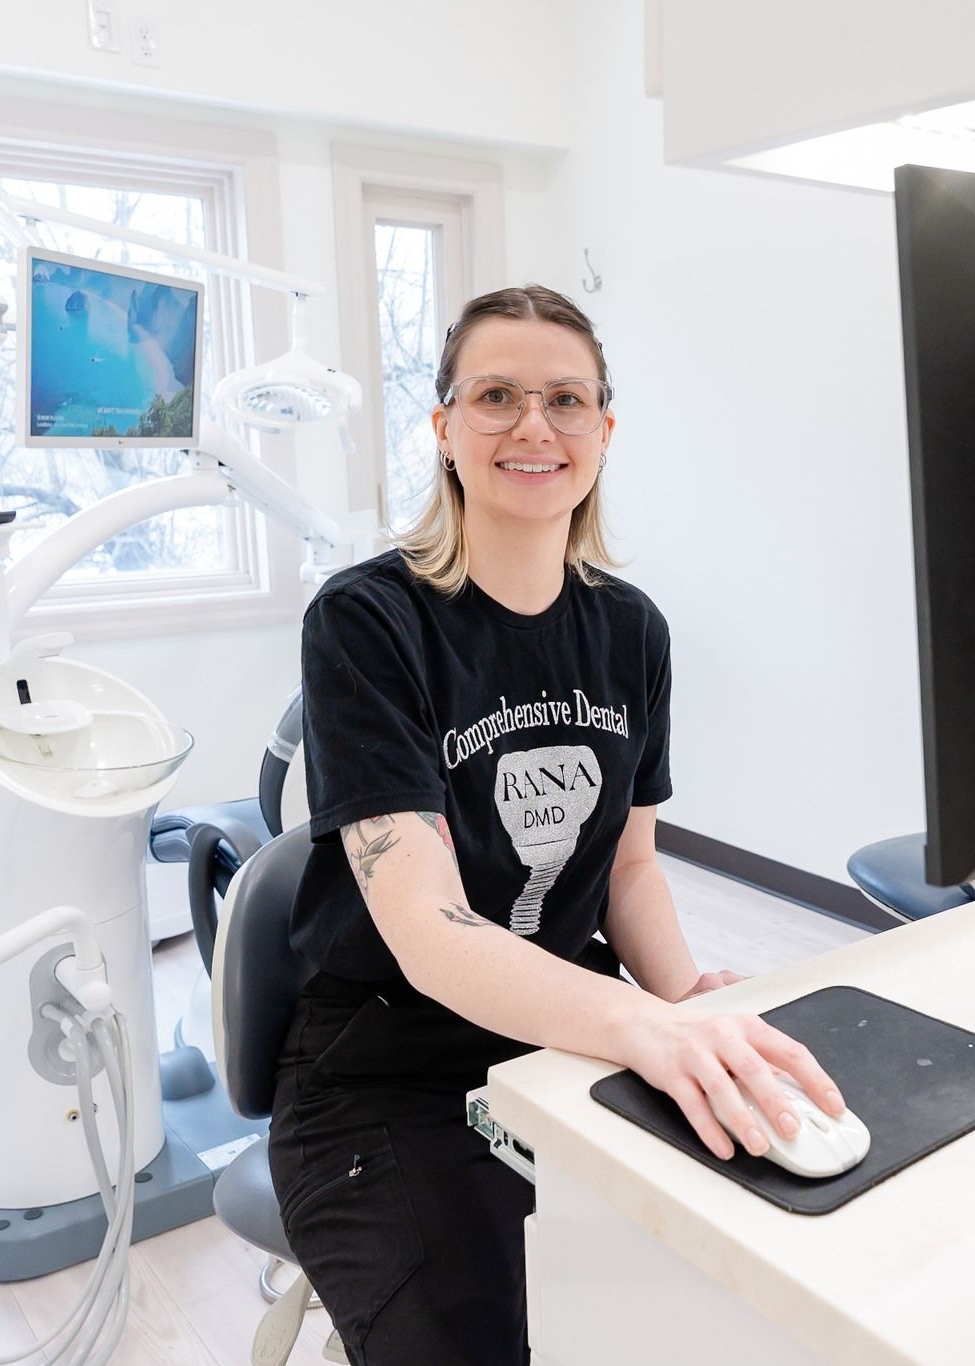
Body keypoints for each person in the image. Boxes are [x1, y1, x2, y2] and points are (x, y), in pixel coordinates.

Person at [267, 284, 847, 1365]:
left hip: (565, 1029)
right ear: (443, 428)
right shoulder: (367, 620)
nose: (533, 426)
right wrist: (644, 1027)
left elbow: (628, 870)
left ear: (602, 432)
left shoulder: (629, 629)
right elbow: (427, 926)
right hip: (386, 1064)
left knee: (711, 1297)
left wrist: (679, 998)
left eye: (565, 401)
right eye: (495, 396)